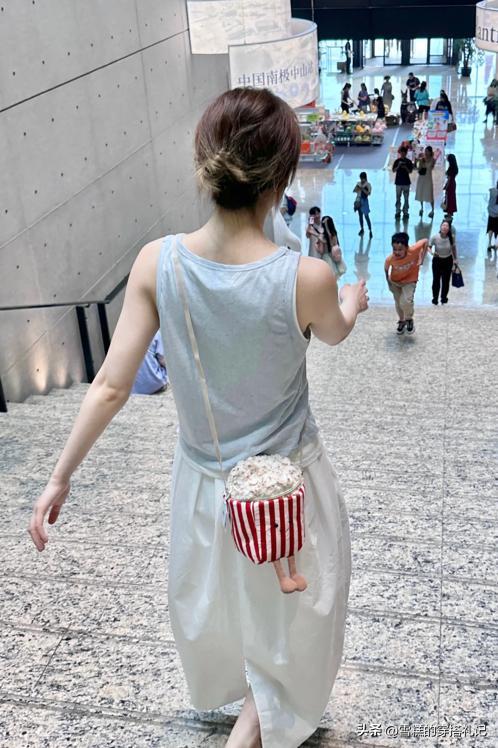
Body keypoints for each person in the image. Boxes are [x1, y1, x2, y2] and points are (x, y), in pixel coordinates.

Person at [28, 86, 369, 748]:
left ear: (205, 164)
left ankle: (251, 705)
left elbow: (110, 385)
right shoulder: (307, 278)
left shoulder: (157, 263)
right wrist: (352, 300)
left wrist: (59, 478)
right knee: (296, 620)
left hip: (205, 486)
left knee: (230, 609)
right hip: (288, 489)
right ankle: (258, 723)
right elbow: (335, 332)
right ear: (281, 178)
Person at [384, 232, 429, 335]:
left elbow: (426, 241)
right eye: (394, 249)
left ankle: (409, 319)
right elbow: (386, 269)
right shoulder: (390, 259)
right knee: (398, 302)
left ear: (406, 247)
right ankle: (402, 320)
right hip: (395, 282)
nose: (397, 252)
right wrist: (388, 282)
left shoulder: (413, 250)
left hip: (410, 280)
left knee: (406, 301)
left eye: (400, 249)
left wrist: (422, 258)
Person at [429, 220, 457, 305]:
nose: (444, 227)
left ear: (449, 229)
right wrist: (432, 253)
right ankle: (435, 298)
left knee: (446, 280)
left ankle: (444, 298)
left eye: (446, 226)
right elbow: (428, 247)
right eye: (443, 225)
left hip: (448, 260)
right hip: (437, 260)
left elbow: (453, 248)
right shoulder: (435, 237)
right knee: (436, 280)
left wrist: (455, 259)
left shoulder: (451, 237)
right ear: (440, 227)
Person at [392, 146, 414, 219]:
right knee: (398, 197)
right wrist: (398, 166)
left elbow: (410, 171)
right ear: (400, 153)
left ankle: (405, 211)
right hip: (398, 182)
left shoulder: (408, 162)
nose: (402, 154)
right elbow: (394, 170)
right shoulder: (397, 161)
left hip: (406, 182)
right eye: (401, 152)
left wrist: (405, 167)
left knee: (406, 198)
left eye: (404, 152)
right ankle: (397, 211)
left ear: (406, 153)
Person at [415, 145, 435, 218]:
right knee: (421, 192)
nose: (426, 153)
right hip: (421, 178)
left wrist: (424, 162)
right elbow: (418, 168)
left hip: (428, 178)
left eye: (427, 151)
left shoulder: (433, 160)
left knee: (429, 193)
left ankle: (432, 210)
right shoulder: (422, 159)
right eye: (425, 151)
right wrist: (419, 161)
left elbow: (431, 166)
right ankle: (421, 208)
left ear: (430, 152)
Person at [353, 171, 373, 237]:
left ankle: (370, 230)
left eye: (363, 178)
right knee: (360, 216)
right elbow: (354, 190)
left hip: (364, 201)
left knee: (366, 216)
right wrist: (357, 188)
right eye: (361, 178)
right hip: (358, 200)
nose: (362, 180)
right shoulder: (358, 183)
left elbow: (368, 193)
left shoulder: (368, 185)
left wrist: (362, 189)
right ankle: (362, 228)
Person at [486, 180, 498, 255]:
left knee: (490, 228)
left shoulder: (492, 191)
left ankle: (489, 243)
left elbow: (490, 189)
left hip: (491, 213)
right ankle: (496, 244)